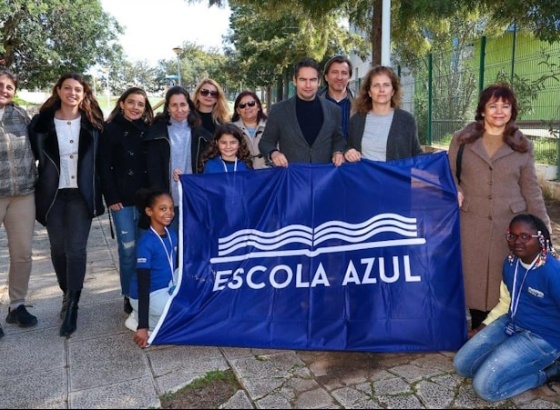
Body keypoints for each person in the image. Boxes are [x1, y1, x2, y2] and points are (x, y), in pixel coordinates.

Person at [447, 83, 550, 330]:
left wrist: (544, 229)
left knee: (500, 278)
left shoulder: (522, 145)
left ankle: (496, 329)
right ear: (482, 109)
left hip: (509, 225)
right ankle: (477, 327)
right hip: (471, 221)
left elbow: (531, 189)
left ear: (512, 110)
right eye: (493, 106)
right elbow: (448, 174)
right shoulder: (461, 139)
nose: (499, 111)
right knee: (471, 277)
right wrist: (457, 190)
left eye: (505, 106)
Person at [28, 72, 105, 338]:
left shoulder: (93, 124)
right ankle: (66, 292)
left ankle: (73, 305)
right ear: (58, 90)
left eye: (78, 89)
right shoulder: (41, 123)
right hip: (52, 194)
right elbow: (31, 155)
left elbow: (104, 160)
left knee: (76, 249)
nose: (73, 93)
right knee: (58, 249)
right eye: (68, 88)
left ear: (84, 94)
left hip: (81, 194)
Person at [453, 214, 560, 402]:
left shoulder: (552, 273)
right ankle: (508, 362)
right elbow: (505, 303)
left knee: (485, 388)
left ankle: (546, 373)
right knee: (462, 365)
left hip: (542, 337)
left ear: (540, 238)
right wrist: (480, 329)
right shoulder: (510, 264)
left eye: (525, 237)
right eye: (512, 236)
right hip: (511, 323)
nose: (517, 241)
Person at [99, 87, 153, 315]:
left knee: (144, 247)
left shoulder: (148, 130)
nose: (135, 107)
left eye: (140, 104)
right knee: (128, 248)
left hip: (145, 200)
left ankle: (145, 291)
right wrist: (111, 197)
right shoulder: (110, 130)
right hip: (121, 200)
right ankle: (129, 294)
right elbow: (104, 166)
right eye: (131, 102)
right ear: (122, 104)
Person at [0, 69, 38, 338]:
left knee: (23, 253)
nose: (4, 89)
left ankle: (17, 306)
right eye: (0, 85)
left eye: (9, 87)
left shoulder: (21, 115)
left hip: (22, 194)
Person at [259, 57, 346, 167]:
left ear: (319, 81)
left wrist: (338, 152)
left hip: (323, 178)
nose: (308, 85)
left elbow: (339, 139)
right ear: (295, 81)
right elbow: (265, 142)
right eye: (303, 79)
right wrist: (274, 153)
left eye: (313, 80)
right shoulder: (279, 110)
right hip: (292, 178)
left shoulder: (333, 110)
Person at [145, 86, 210, 231]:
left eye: (183, 104)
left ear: (189, 107)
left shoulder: (202, 135)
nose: (179, 109)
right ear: (167, 108)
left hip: (193, 199)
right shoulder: (156, 133)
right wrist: (160, 198)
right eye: (174, 105)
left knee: (191, 244)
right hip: (167, 201)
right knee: (172, 245)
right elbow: (153, 170)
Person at [126, 189, 178, 349]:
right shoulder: (146, 243)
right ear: (149, 211)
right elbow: (143, 285)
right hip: (148, 292)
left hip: (167, 285)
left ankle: (148, 317)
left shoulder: (172, 233)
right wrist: (142, 327)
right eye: (163, 209)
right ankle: (141, 320)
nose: (169, 213)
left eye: (171, 208)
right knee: (180, 315)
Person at [344, 65, 423, 163]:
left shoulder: (406, 120)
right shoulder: (357, 120)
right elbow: (347, 146)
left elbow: (416, 153)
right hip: (363, 177)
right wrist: (348, 151)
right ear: (369, 92)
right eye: (376, 85)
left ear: (393, 91)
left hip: (394, 178)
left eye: (386, 85)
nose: (381, 90)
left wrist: (439, 157)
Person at [318, 55, 354, 139]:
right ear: (326, 76)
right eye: (334, 72)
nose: (339, 77)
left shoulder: (360, 103)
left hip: (353, 151)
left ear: (349, 77)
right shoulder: (314, 102)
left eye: (344, 73)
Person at [231, 91, 268, 169]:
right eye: (242, 105)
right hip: (241, 177)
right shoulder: (230, 130)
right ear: (238, 111)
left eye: (251, 103)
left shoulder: (271, 126)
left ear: (258, 107)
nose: (247, 107)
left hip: (268, 175)